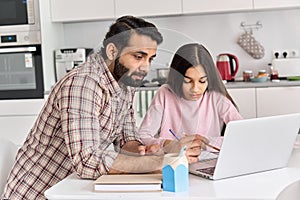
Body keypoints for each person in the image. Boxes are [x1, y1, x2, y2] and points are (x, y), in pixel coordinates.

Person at [2, 16, 205, 200]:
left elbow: (126, 140)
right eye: (138, 56)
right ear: (112, 51)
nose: (145, 67)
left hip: (72, 190)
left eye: (150, 59)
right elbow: (88, 162)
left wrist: (148, 150)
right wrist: (161, 160)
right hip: (37, 193)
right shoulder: (83, 84)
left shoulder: (125, 84)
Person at [138, 43, 243, 163]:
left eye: (202, 81)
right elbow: (143, 135)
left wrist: (204, 142)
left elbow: (242, 134)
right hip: (174, 164)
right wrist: (168, 144)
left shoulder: (216, 97)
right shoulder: (165, 94)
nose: (195, 89)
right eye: (188, 81)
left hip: (209, 163)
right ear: (178, 78)